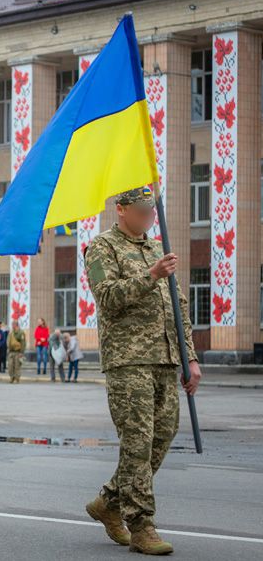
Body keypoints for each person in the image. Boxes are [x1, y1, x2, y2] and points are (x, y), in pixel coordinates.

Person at [84, 187, 201, 555]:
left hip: (166, 358)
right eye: (142, 211)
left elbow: (178, 305)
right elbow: (107, 298)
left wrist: (190, 358)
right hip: (128, 359)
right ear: (121, 210)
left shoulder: (155, 247)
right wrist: (151, 275)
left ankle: (108, 501)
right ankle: (142, 525)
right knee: (137, 442)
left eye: (152, 211)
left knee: (162, 438)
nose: (149, 217)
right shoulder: (102, 247)